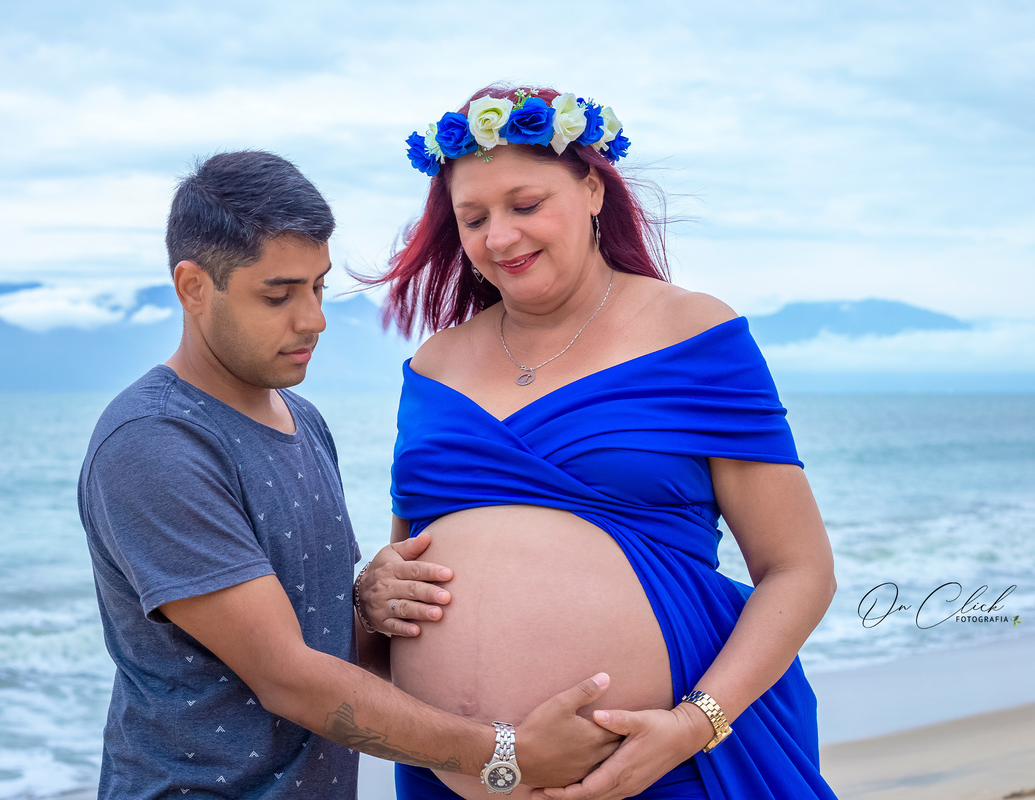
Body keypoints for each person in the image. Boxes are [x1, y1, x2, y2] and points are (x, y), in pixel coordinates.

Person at [76, 150, 621, 800]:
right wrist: (509, 755)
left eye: (317, 286)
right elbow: (288, 678)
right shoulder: (155, 442)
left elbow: (328, 646)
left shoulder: (302, 419)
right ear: (194, 287)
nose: (313, 319)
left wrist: (371, 603)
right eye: (277, 295)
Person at [354, 87, 840, 799]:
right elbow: (406, 564)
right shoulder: (433, 367)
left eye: (526, 204)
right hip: (458, 776)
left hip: (667, 763)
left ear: (591, 190)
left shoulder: (692, 335)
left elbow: (799, 569)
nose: (500, 238)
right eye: (474, 218)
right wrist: (369, 597)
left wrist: (694, 723)